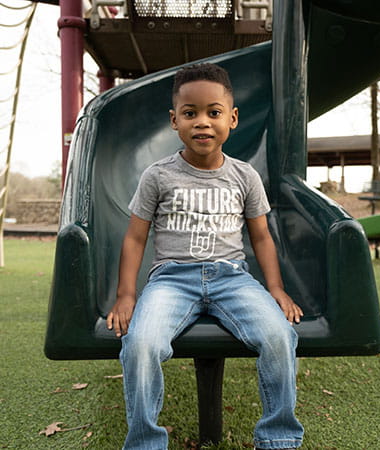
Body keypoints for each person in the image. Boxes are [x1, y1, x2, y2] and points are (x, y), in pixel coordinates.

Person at [106, 63, 304, 450]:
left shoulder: (244, 176)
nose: (202, 122)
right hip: (172, 280)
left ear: (232, 119)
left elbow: (261, 237)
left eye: (213, 113)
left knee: (280, 335)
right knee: (141, 344)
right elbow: (134, 238)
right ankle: (146, 442)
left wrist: (276, 288)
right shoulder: (158, 176)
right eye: (190, 113)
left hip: (232, 277)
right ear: (173, 121)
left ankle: (279, 437)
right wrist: (127, 294)